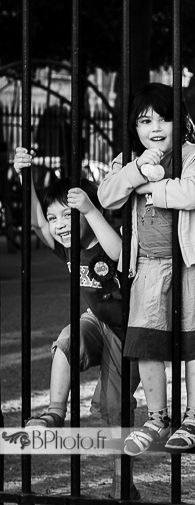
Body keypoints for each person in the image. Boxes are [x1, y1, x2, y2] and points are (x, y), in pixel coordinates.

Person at [98, 82, 195, 456]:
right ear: (133, 127)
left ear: (178, 122)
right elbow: (106, 195)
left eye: (165, 119)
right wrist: (136, 171)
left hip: (190, 266)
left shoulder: (191, 154)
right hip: (148, 268)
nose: (156, 127)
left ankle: (194, 417)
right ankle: (157, 418)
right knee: (147, 345)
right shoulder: (127, 161)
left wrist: (154, 186)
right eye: (145, 120)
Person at [13, 152, 140, 499]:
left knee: (115, 407)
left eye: (66, 215)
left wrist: (90, 210)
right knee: (66, 342)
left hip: (128, 332)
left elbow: (118, 255)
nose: (58, 224)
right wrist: (27, 178)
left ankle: (121, 480)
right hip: (96, 320)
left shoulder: (103, 238)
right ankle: (55, 413)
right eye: (55, 218)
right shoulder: (65, 246)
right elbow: (38, 224)